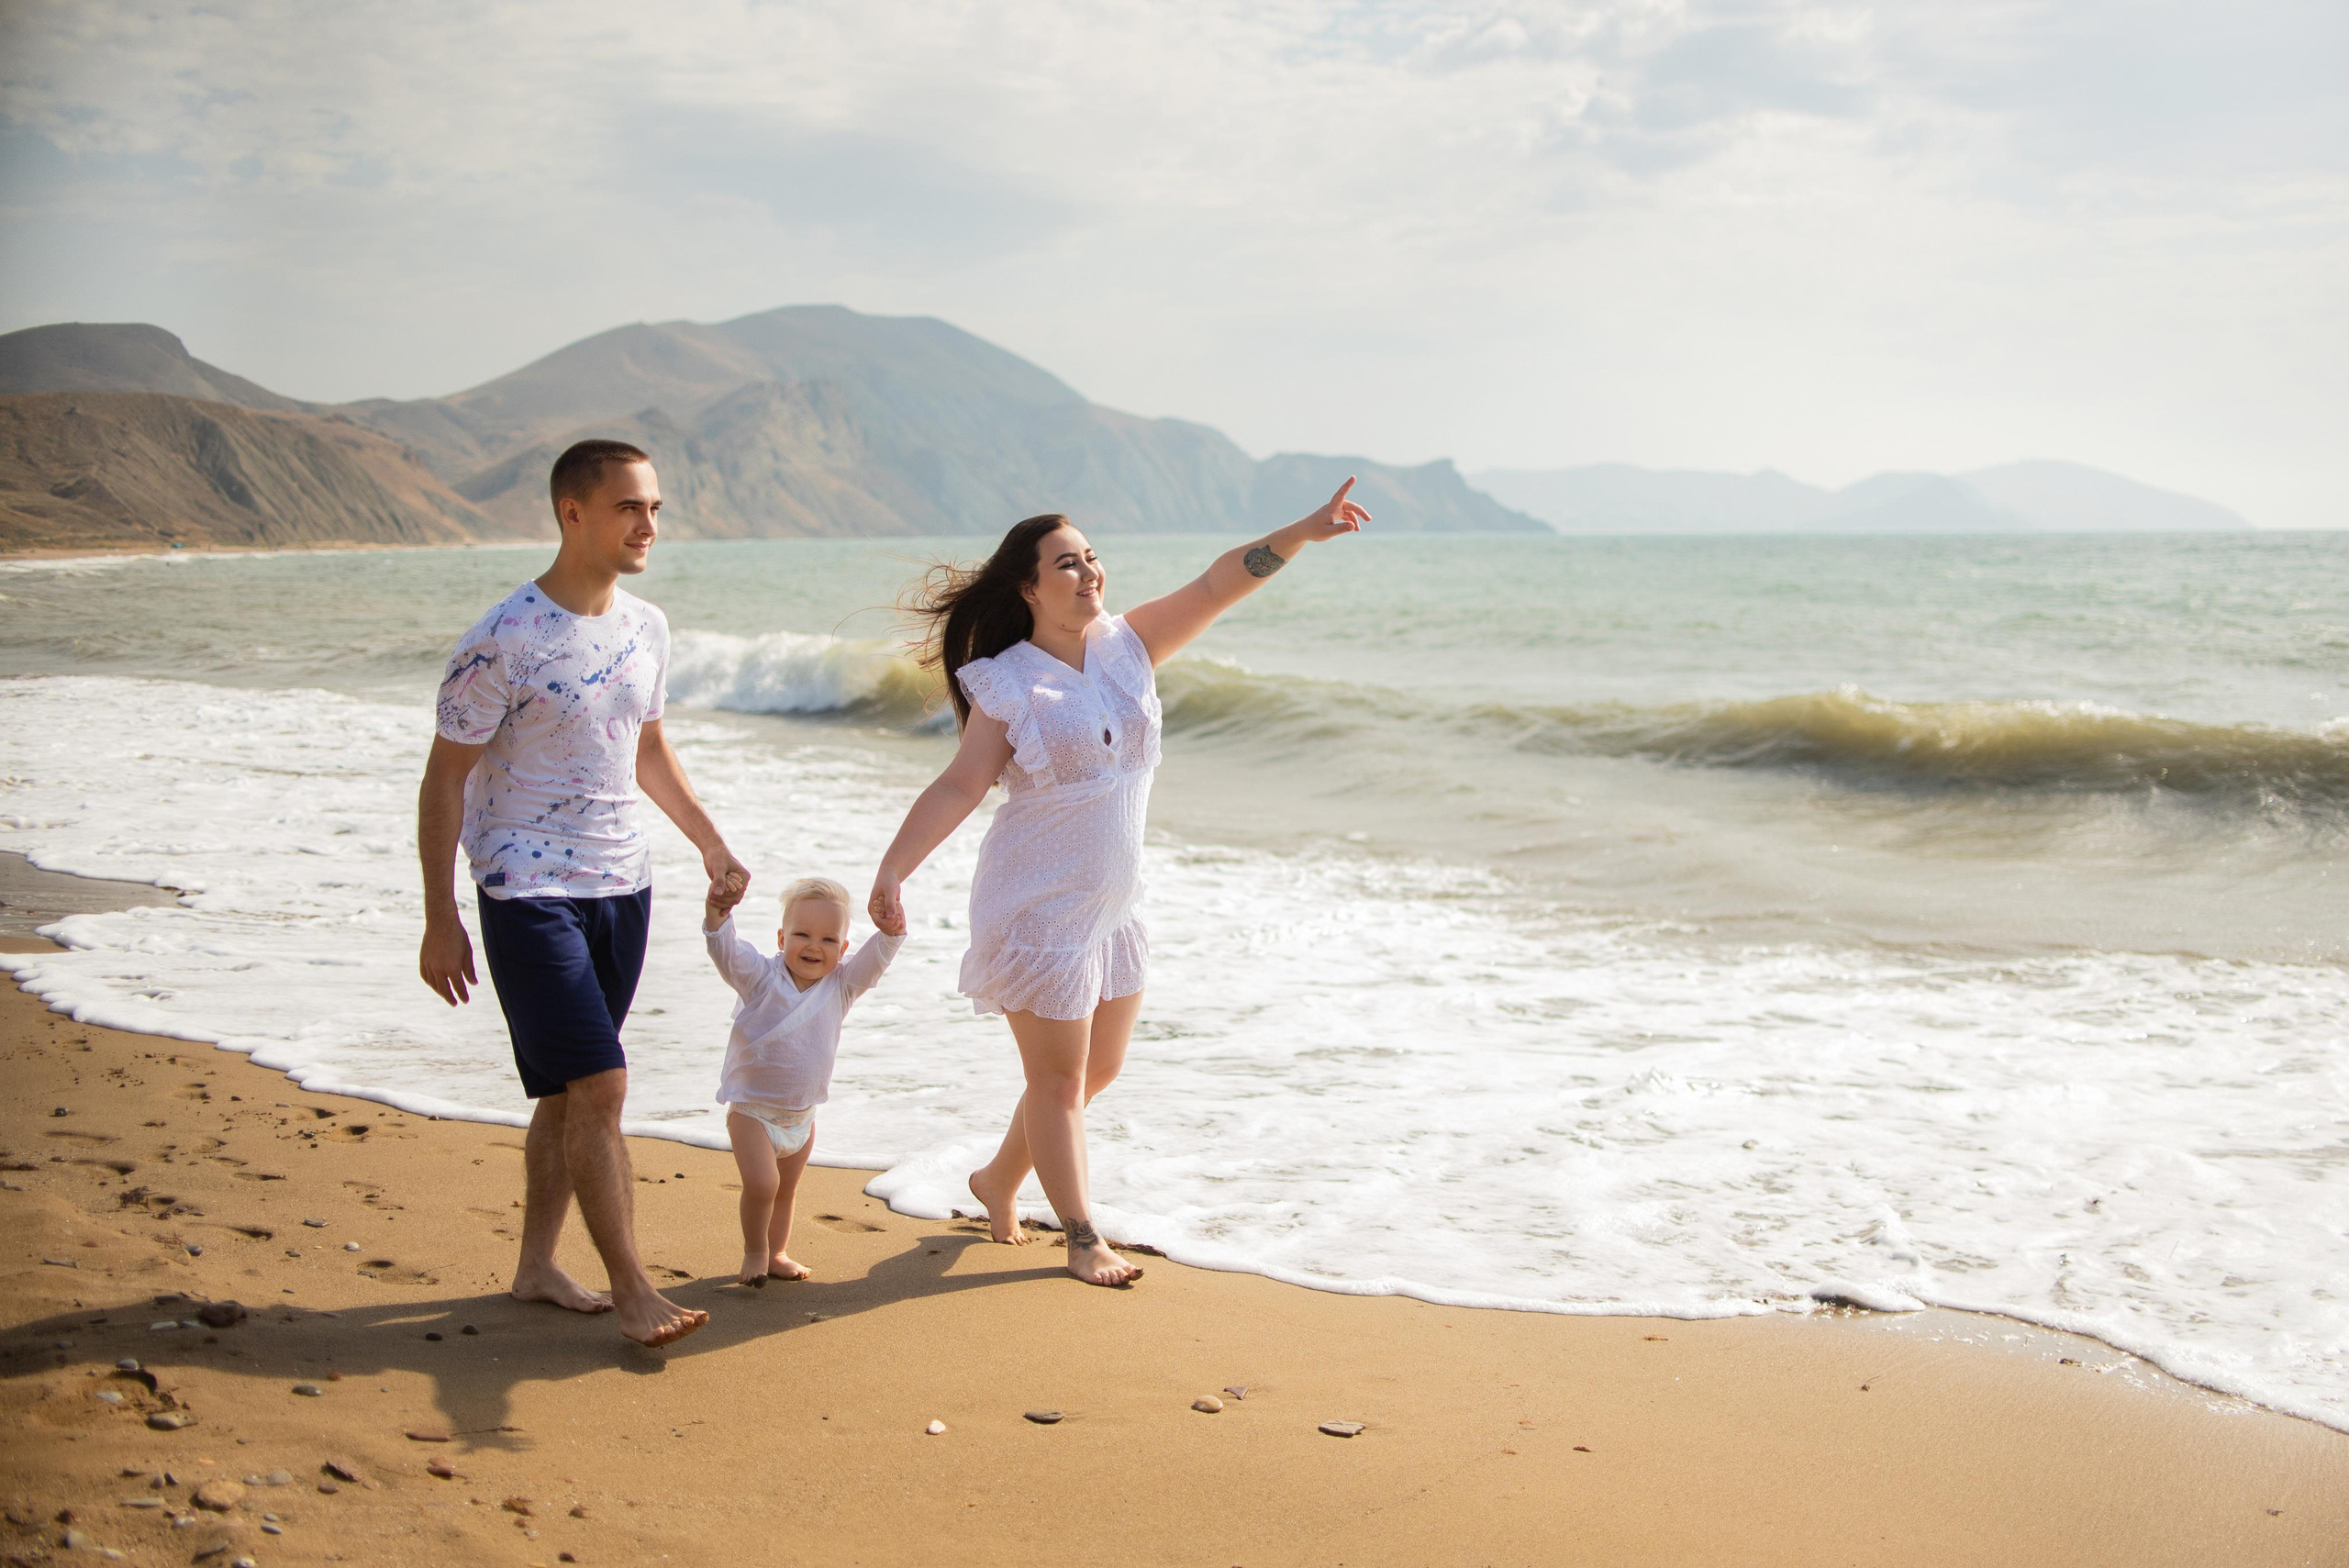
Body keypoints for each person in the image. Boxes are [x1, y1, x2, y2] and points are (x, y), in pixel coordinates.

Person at [869, 480, 1370, 1286]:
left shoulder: (1129, 644)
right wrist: (895, 867)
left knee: (1097, 1071)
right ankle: (1079, 1235)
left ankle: (996, 1180)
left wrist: (1303, 533)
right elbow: (961, 785)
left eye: (1093, 557)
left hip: (1113, 909)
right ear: (1029, 587)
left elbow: (1218, 583)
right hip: (1037, 907)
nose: (1089, 572)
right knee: (1059, 1081)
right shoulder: (1007, 682)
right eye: (1068, 563)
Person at [416, 438, 748, 1348]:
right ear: (572, 513)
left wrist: (711, 844)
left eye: (655, 508)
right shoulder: (503, 639)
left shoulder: (647, 626)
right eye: (629, 507)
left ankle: (533, 1265)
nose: (648, 524)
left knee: (567, 1093)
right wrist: (442, 914)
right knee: (602, 1084)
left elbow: (646, 748)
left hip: (621, 882)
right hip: (526, 885)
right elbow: (445, 777)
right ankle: (634, 1285)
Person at [703, 875, 905, 1286]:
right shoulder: (761, 979)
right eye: (802, 935)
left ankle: (777, 1252)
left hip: (802, 1117)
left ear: (843, 949)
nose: (815, 946)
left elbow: (875, 963)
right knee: (763, 1184)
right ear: (781, 937)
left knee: (785, 1193)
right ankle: (755, 1252)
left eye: (829, 940)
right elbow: (727, 953)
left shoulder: (842, 986)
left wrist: (891, 932)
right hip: (752, 1112)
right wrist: (718, 916)